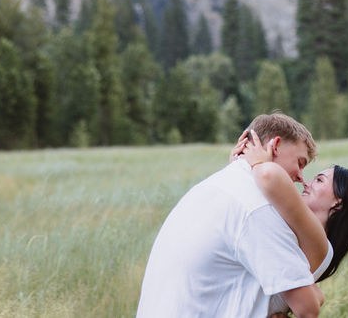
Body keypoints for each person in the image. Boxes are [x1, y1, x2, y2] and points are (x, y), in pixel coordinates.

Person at [136, 113, 323, 318]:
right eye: (300, 162)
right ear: (275, 145)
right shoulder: (256, 208)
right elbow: (308, 308)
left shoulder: (213, 186)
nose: (300, 177)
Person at [233, 130, 348, 316]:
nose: (305, 182)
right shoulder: (298, 234)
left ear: (337, 202)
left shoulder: (317, 242)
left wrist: (257, 162)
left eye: (319, 180)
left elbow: (267, 178)